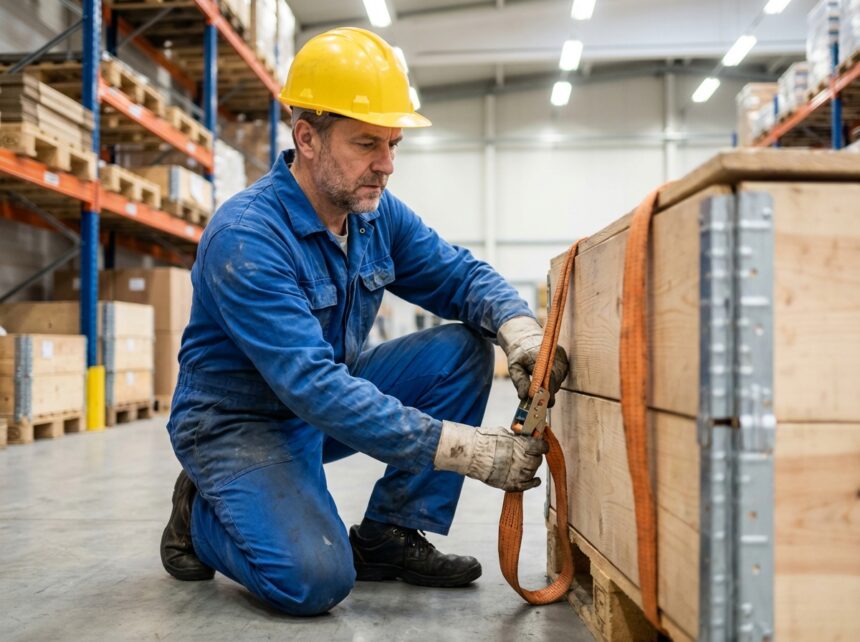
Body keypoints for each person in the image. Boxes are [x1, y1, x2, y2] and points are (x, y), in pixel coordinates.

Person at [160, 27, 568, 616]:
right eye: (367, 143)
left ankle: (390, 534)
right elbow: (311, 385)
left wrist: (519, 329)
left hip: (320, 406)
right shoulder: (247, 238)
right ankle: (201, 512)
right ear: (307, 137)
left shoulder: (372, 213)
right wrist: (467, 451)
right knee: (316, 580)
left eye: (394, 144)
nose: (387, 165)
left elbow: (458, 275)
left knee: (462, 351)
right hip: (239, 423)